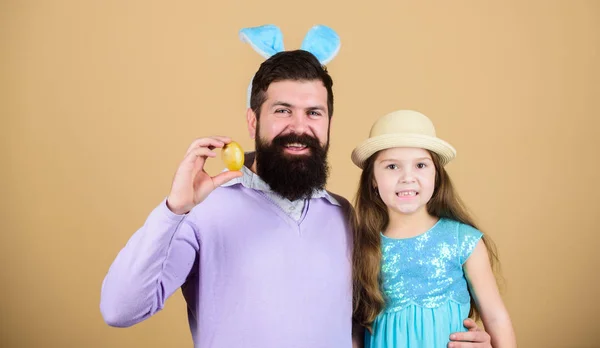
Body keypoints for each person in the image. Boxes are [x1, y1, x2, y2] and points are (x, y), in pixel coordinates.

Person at [350, 109, 517, 347]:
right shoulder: (362, 245)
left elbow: (496, 317)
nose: (408, 177)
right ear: (373, 179)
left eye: (420, 165)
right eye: (392, 167)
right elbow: (355, 328)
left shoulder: (462, 240)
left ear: (436, 175)